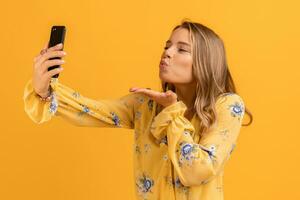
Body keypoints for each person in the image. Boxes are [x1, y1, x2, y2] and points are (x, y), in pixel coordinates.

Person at [23, 19, 253, 200]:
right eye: (167, 46)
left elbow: (197, 170)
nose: (167, 53)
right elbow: (89, 109)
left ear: (206, 61)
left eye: (182, 49)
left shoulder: (227, 105)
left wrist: (171, 112)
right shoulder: (145, 105)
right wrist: (43, 89)